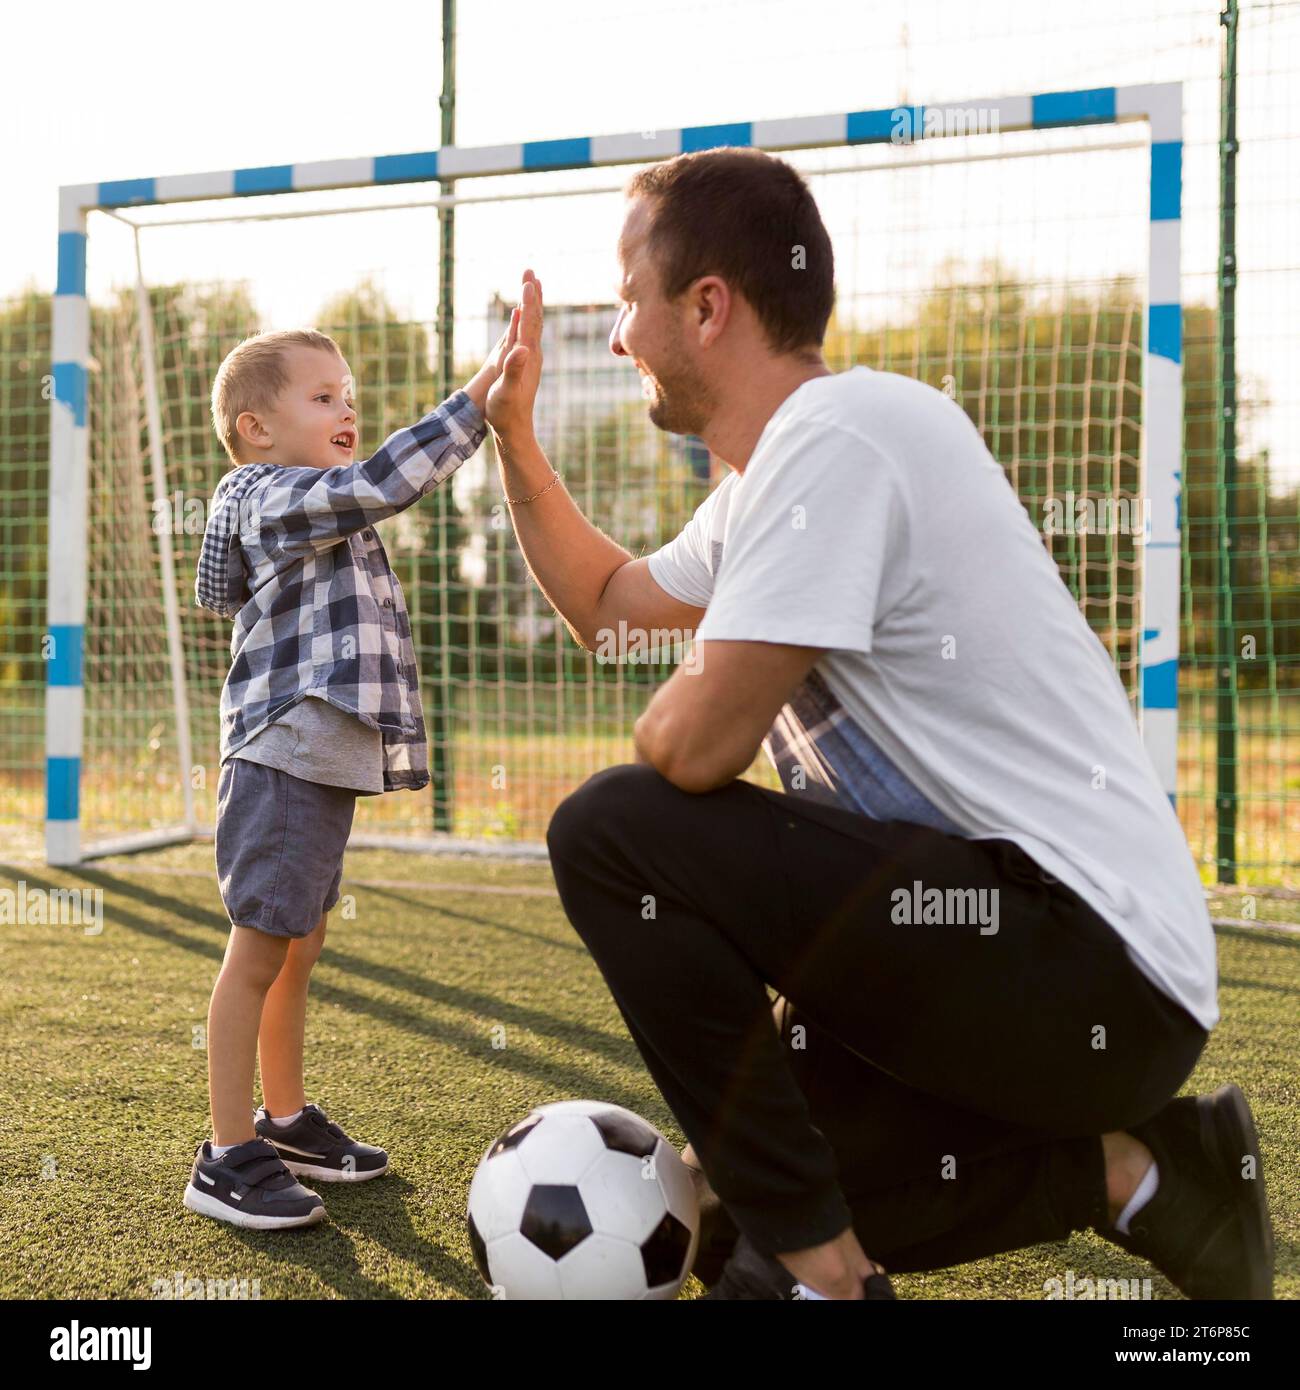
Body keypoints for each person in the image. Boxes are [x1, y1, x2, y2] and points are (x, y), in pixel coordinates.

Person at [480, 147, 1274, 1300]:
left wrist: (696, 682)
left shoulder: (842, 435)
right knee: (723, 1191)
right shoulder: (767, 485)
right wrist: (515, 440)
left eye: (626, 303)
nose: (617, 336)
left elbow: (690, 748)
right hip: (1030, 973)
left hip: (1088, 963)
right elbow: (611, 610)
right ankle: (1146, 1172)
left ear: (707, 307)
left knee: (613, 828)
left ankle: (823, 1278)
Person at [186, 323, 515, 1227]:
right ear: (255, 427)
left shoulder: (314, 501)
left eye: (350, 395)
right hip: (283, 753)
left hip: (320, 762)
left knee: (301, 944)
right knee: (259, 949)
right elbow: (381, 484)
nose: (348, 409)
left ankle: (284, 1120)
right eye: (323, 396)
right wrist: (479, 397)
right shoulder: (265, 496)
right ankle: (224, 1155)